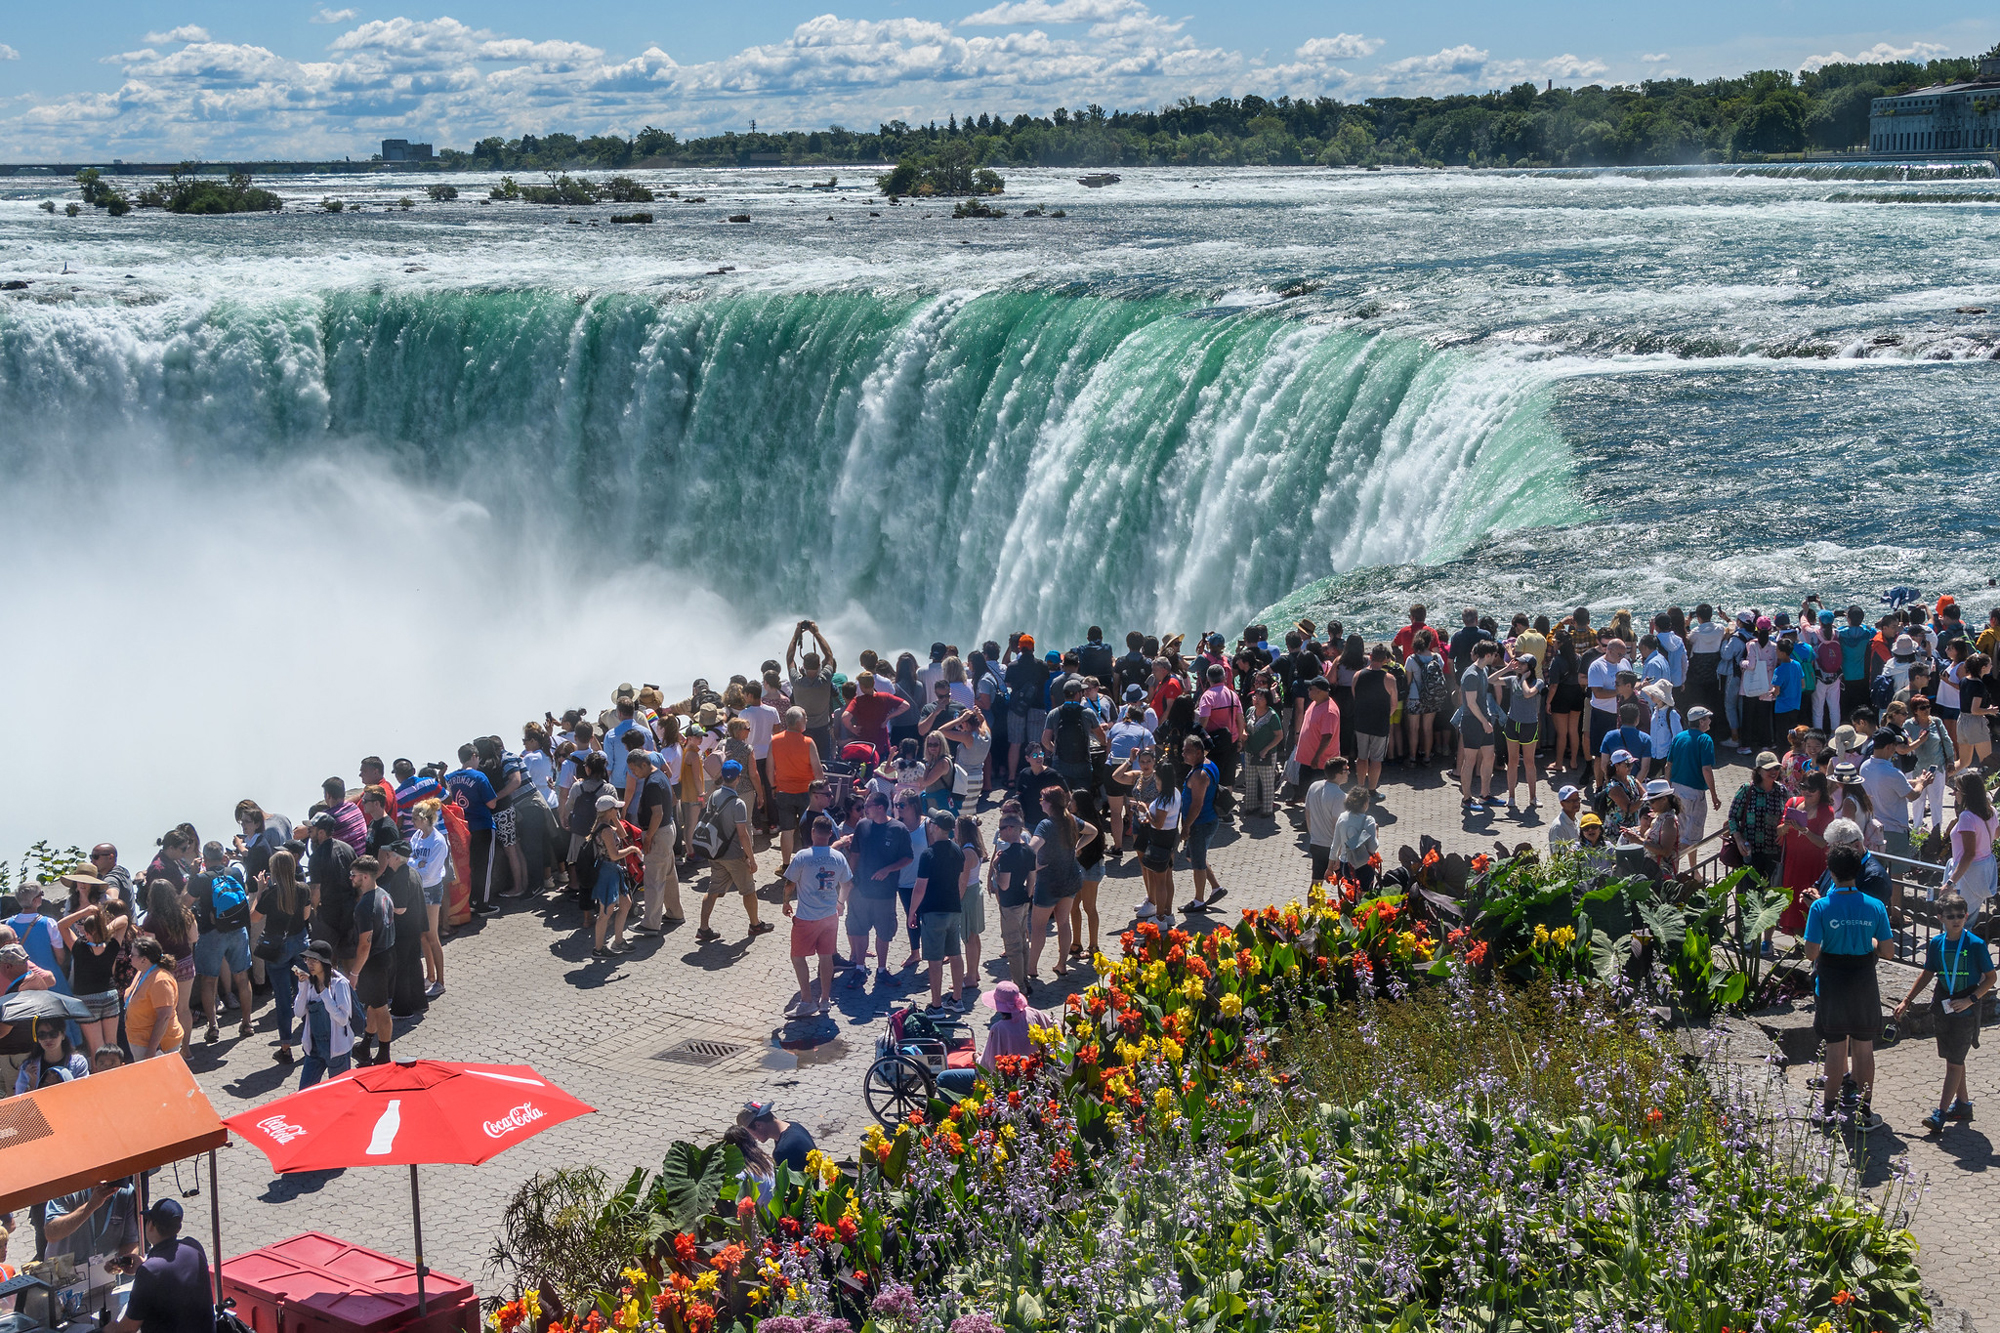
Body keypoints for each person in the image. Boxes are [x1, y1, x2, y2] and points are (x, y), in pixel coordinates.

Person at [1804, 844, 1894, 1127]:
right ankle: (1864, 1114)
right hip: (1864, 980)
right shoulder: (1875, 906)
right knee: (1864, 1048)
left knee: (1835, 1048)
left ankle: (1829, 1112)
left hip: (1832, 980)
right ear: (1858, 871)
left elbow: (1811, 952)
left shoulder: (1820, 907)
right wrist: (1870, 941)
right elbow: (1888, 952)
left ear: (1831, 872)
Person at [1891, 893, 1997, 1133]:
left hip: (1966, 1011)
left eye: (1960, 915)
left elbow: (1991, 978)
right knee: (1953, 1059)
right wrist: (1907, 1000)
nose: (1956, 920)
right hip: (1943, 1006)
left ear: (1966, 916)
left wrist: (1971, 1000)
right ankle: (1963, 1105)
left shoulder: (1976, 945)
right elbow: (1927, 974)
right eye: (1951, 916)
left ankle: (1940, 1113)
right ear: (1940, 918)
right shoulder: (1937, 944)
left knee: (1953, 1062)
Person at [781, 815, 849, 1018]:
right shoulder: (839, 858)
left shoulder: (802, 856)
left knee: (797, 956)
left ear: (812, 832)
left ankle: (807, 1000)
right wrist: (840, 902)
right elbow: (847, 883)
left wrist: (785, 902)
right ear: (830, 834)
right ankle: (825, 1000)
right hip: (830, 916)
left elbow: (789, 883)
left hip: (806, 917)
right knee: (826, 957)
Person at [107, 1198, 210, 1333]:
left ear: (151, 1226)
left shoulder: (150, 1270)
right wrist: (143, 1265)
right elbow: (174, 1274)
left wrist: (106, 1329)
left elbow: (128, 1328)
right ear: (178, 1227)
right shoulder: (193, 1246)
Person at [189, 842, 253, 1045]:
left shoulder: (201, 879)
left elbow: (184, 903)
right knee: (242, 978)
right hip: (237, 930)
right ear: (223, 857)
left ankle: (212, 1026)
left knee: (208, 980)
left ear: (205, 860)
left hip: (212, 933)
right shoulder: (234, 872)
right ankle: (247, 1023)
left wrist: (192, 874)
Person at [697, 761, 768, 941]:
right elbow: (743, 834)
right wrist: (751, 859)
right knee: (749, 890)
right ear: (738, 778)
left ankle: (703, 929)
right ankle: (755, 925)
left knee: (713, 890)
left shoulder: (713, 796)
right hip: (734, 855)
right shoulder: (738, 804)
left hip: (715, 852)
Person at [251, 849, 309, 1066]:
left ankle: (285, 1048)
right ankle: (311, 1037)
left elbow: (254, 918)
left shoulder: (270, 894)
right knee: (304, 991)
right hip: (299, 949)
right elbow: (305, 916)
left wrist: (259, 891)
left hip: (278, 953)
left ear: (273, 871)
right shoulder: (302, 889)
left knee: (283, 998)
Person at [55, 896, 129, 1056]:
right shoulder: (112, 945)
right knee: (112, 1045)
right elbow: (124, 919)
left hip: (87, 1000)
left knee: (96, 1048)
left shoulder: (79, 947)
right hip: (109, 996)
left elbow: (61, 926)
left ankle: (98, 1074)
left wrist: (85, 911)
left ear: (87, 933)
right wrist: (104, 931)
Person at [908, 813, 967, 1012]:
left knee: (934, 960)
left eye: (932, 822)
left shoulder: (928, 854)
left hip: (933, 911)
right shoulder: (958, 851)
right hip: (953, 909)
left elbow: (919, 888)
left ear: (936, 827)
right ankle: (957, 1000)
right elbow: (960, 881)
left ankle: (936, 1006)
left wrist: (912, 911)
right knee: (955, 954)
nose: (930, 825)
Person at [346, 855, 396, 1066]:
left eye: (354, 875)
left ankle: (384, 1055)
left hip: (374, 961)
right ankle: (365, 1045)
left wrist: (354, 973)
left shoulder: (364, 906)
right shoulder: (384, 894)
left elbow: (364, 944)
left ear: (365, 877)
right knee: (373, 1005)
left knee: (381, 1008)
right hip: (388, 954)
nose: (351, 878)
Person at [1028, 786, 1083, 977]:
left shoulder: (1045, 824)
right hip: (1070, 878)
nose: (1040, 802)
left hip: (1049, 883)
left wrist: (1033, 866)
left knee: (1038, 927)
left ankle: (1032, 968)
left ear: (1050, 803)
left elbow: (1031, 848)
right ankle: (1062, 964)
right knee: (1063, 922)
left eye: (1042, 799)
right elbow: (1092, 831)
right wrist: (1076, 848)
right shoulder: (1071, 820)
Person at [293, 941, 355, 1088]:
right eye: (307, 960)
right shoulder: (308, 982)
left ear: (325, 962)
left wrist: (324, 994)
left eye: (314, 960)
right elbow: (298, 1012)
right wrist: (302, 987)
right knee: (304, 1092)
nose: (310, 964)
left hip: (337, 1050)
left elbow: (342, 1018)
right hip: (314, 1048)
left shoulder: (340, 983)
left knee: (340, 1093)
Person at [1665, 706, 1720, 868]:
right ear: (1701, 721)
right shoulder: (1705, 740)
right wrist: (1714, 795)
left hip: (1676, 790)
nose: (1710, 721)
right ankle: (1670, 867)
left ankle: (1693, 870)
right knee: (1692, 837)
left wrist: (1668, 790)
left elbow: (1668, 765)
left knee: (1682, 834)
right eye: (1707, 718)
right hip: (1694, 793)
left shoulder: (1679, 737)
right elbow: (1706, 769)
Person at [408, 800, 452, 995]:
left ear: (425, 819)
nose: (412, 822)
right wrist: (419, 863)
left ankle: (440, 981)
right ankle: (430, 976)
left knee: (432, 936)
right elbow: (408, 860)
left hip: (431, 890)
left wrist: (416, 865)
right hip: (417, 889)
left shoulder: (437, 841)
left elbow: (430, 872)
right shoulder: (416, 836)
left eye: (415, 818)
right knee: (422, 935)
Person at [1943, 770, 2000, 919]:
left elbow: (1969, 853)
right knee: (1968, 918)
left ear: (1966, 793)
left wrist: (1950, 882)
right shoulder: (1991, 811)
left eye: (1956, 789)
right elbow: (1995, 834)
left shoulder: (1966, 817)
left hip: (1967, 876)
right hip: (1984, 870)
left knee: (1955, 921)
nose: (1954, 793)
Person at [1178, 734, 1224, 912]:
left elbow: (1197, 805)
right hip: (1206, 821)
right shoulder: (1208, 763)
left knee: (1197, 863)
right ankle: (1216, 888)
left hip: (1201, 823)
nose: (1183, 754)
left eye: (1187, 751)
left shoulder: (1199, 775)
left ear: (1198, 752)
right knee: (1193, 855)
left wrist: (1186, 826)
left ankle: (1198, 901)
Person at [1456, 641, 1503, 813]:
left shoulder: (1482, 670)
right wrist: (1484, 721)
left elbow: (1489, 680)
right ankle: (1466, 798)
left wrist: (1507, 669)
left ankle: (1485, 794)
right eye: (1494, 655)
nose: (1496, 658)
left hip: (1484, 720)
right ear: (1488, 655)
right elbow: (1471, 703)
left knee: (1489, 756)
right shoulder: (1471, 674)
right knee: (1470, 761)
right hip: (1472, 722)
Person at [123, 934, 183, 1060]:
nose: (129, 957)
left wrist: (151, 1050)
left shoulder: (160, 981)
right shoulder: (142, 972)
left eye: (133, 954)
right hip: (139, 1041)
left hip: (157, 1046)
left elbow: (164, 1017)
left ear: (144, 959)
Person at [1498, 651, 1543, 811]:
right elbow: (1491, 680)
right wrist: (1507, 668)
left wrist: (1523, 679)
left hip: (1529, 725)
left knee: (1529, 762)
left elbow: (1528, 693)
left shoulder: (1538, 682)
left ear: (1529, 668)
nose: (1519, 666)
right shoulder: (1512, 679)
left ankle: (1533, 797)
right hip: (1513, 723)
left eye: (1522, 664)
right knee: (1512, 761)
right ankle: (1511, 797)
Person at [1292, 676, 1340, 798]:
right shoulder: (1315, 703)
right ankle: (1304, 803)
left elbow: (1327, 737)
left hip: (1319, 761)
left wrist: (1316, 758)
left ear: (1319, 691)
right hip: (1308, 758)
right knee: (1305, 787)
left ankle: (1315, 814)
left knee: (1316, 792)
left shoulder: (1329, 711)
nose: (1308, 691)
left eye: (1310, 688)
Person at [1304, 756, 1350, 883]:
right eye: (1346, 769)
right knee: (1350, 885)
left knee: (1316, 885)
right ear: (1338, 773)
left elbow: (1307, 813)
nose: (1349, 772)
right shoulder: (1340, 796)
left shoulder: (1314, 786)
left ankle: (1312, 904)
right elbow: (1337, 826)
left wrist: (1313, 834)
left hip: (1316, 843)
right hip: (1331, 848)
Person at [738, 1101, 814, 1174]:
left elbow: (785, 1185)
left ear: (758, 1125)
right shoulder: (795, 1126)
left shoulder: (783, 1149)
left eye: (750, 1133)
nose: (754, 1138)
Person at [14, 1019, 88, 1094]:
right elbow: (21, 1101)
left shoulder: (78, 1063)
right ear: (37, 1039)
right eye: (42, 1035)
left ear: (63, 1035)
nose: (47, 1039)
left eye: (53, 1034)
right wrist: (32, 1083)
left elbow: (83, 1093)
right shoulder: (28, 1066)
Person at [1330, 786, 1379, 896]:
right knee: (1364, 897)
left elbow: (1335, 844)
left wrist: (1330, 866)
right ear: (1365, 804)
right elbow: (1372, 847)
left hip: (1346, 866)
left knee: (1351, 892)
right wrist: (1376, 833)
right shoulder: (1369, 821)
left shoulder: (1342, 818)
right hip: (1363, 865)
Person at [1549, 785, 1583, 850]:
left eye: (1577, 799)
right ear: (1562, 804)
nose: (1576, 803)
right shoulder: (1559, 827)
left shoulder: (1576, 821)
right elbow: (1557, 854)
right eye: (1571, 801)